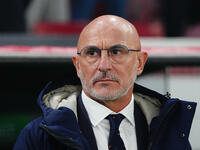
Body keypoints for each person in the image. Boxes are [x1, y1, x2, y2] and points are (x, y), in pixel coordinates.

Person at [13, 15, 196, 150]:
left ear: (139, 62)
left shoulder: (170, 133)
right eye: (92, 53)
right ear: (77, 65)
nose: (104, 65)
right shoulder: (38, 137)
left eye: (116, 52)